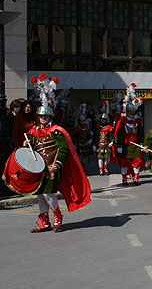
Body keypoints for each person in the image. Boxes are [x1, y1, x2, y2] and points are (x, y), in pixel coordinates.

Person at [3, 74, 91, 232]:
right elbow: (27, 142)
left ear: (50, 116)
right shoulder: (34, 130)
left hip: (51, 168)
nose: (43, 118)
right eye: (40, 116)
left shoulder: (56, 132)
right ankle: (44, 221)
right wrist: (25, 143)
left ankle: (58, 215)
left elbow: (63, 149)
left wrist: (57, 165)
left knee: (48, 193)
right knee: (40, 193)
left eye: (45, 116)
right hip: (38, 168)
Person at [113, 83, 145, 185]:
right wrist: (118, 145)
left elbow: (140, 133)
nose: (133, 114)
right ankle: (124, 178)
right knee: (124, 163)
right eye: (131, 112)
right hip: (125, 146)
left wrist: (141, 143)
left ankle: (136, 178)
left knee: (137, 162)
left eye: (134, 112)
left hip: (135, 145)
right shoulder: (122, 122)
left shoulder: (137, 122)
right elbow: (118, 134)